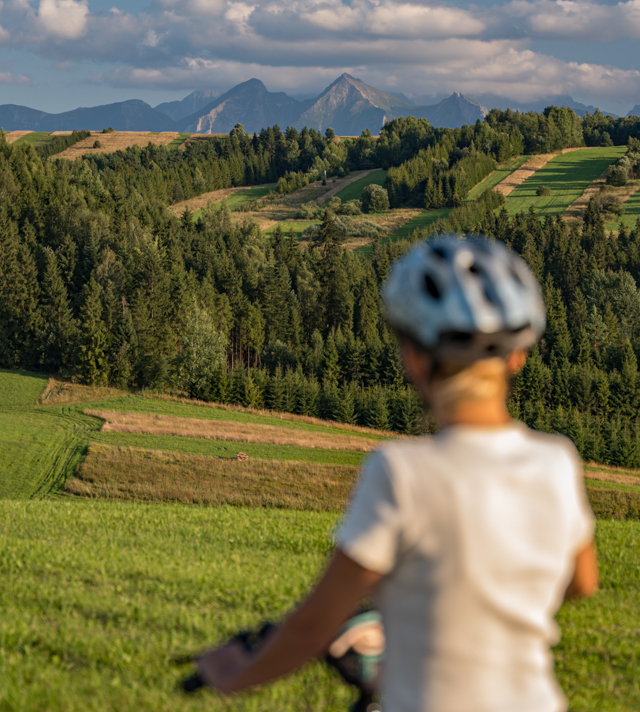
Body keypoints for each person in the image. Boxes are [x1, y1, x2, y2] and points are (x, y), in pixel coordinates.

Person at [195, 234, 598, 712]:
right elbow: (581, 582)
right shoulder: (556, 461)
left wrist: (234, 674)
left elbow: (313, 628)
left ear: (413, 358)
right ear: (518, 355)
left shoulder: (400, 472)